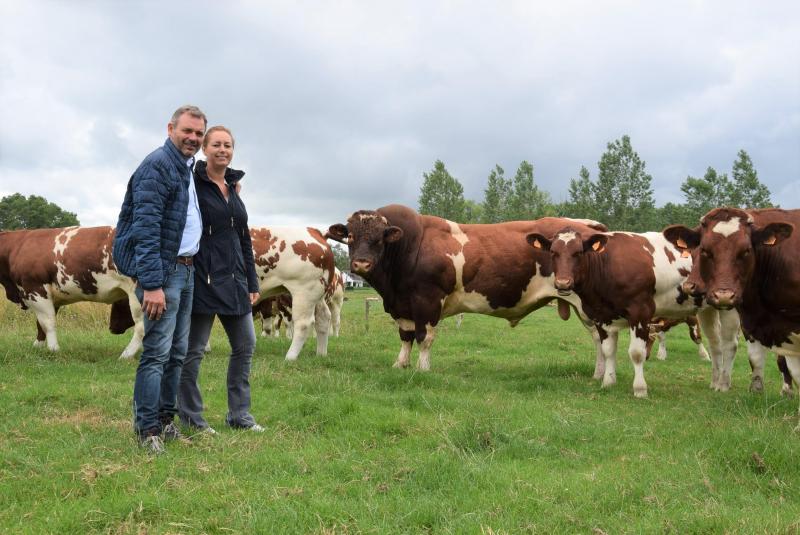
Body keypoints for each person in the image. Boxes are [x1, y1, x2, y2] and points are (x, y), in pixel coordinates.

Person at [113, 105, 207, 454]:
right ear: (171, 128)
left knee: (177, 353)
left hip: (186, 269)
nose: (193, 139)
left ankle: (166, 422)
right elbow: (146, 231)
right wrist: (151, 284)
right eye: (188, 131)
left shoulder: (183, 168)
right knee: (156, 353)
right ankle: (147, 429)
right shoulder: (157, 166)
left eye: (199, 134)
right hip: (164, 273)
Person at [178, 125, 264, 434]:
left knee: (245, 346)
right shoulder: (193, 183)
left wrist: (252, 282)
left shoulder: (233, 187)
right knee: (194, 351)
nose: (222, 150)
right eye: (216, 144)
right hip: (204, 278)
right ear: (204, 148)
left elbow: (244, 239)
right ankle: (192, 418)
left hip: (236, 279)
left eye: (228, 145)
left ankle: (239, 416)